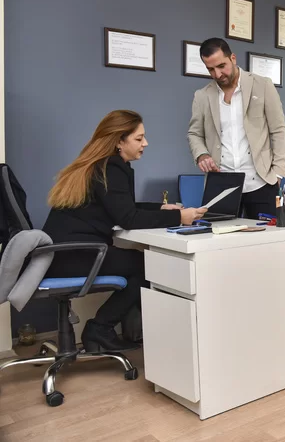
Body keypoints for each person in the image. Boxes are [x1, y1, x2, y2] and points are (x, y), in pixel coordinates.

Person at [43, 110, 206, 352]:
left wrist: (161, 207)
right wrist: (180, 217)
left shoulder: (98, 165)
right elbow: (128, 218)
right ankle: (99, 329)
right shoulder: (111, 168)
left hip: (59, 254)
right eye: (139, 138)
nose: (145, 143)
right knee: (147, 266)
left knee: (140, 263)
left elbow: (120, 205)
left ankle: (101, 329)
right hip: (75, 255)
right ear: (119, 141)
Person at [187, 38, 285, 218]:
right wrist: (201, 154)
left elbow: (278, 130)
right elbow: (194, 133)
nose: (218, 74)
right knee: (219, 235)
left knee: (267, 236)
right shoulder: (202, 96)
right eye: (211, 69)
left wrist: (278, 174)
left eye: (221, 66)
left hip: (262, 181)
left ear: (233, 58)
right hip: (221, 183)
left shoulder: (263, 85)